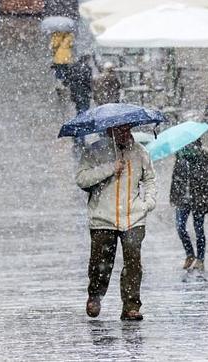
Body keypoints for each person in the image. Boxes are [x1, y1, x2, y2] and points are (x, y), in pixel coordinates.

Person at [76, 124, 157, 321]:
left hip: (134, 216)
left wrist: (148, 202)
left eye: (127, 129)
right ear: (110, 132)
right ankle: (95, 295)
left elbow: (150, 179)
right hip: (103, 217)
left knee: (133, 261)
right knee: (101, 261)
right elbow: (82, 179)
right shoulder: (94, 151)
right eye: (120, 130)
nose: (125, 134)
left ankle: (131, 306)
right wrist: (110, 168)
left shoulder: (140, 151)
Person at [170, 139, 208, 271]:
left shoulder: (203, 153)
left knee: (199, 229)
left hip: (198, 198)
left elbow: (205, 176)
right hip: (182, 198)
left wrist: (194, 167)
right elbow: (175, 176)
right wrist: (173, 196)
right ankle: (190, 254)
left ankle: (201, 259)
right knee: (180, 226)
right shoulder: (180, 154)